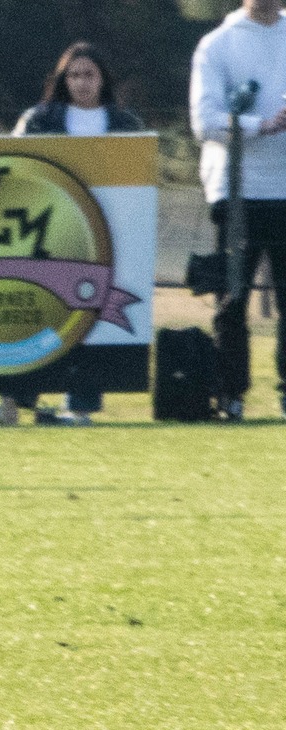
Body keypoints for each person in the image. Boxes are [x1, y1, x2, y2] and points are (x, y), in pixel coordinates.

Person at [0, 44, 146, 428]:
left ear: (102, 79)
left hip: (106, 236)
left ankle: (80, 408)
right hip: (44, 234)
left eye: (89, 74)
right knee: (34, 317)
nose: (82, 83)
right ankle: (11, 403)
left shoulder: (125, 123)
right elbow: (17, 171)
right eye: (74, 75)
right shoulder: (38, 119)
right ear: (62, 80)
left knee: (93, 317)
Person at [191, 0, 286, 422]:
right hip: (237, 190)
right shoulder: (217, 44)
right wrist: (262, 125)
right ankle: (231, 396)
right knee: (233, 300)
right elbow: (205, 122)